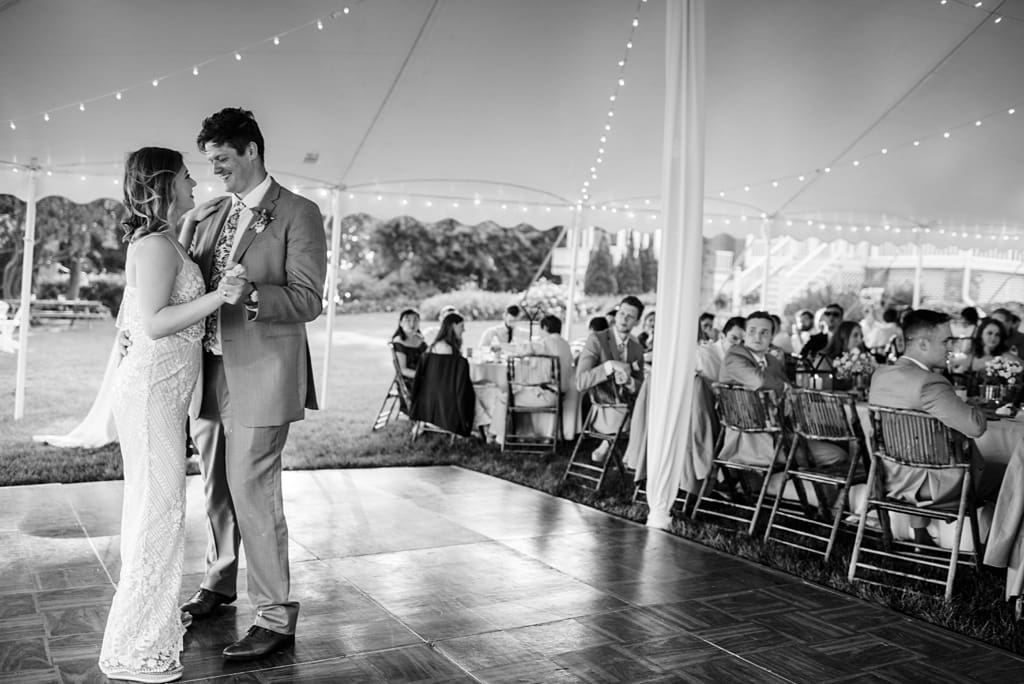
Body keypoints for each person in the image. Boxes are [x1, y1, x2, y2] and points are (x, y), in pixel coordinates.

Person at [180, 108, 327, 661]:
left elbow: (309, 298)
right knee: (216, 485)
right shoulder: (215, 212)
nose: (215, 169)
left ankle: (273, 615)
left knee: (253, 490)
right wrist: (191, 226)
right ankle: (220, 581)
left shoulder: (299, 212)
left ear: (251, 152)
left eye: (222, 158)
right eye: (209, 160)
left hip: (263, 373)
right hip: (209, 370)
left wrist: (255, 295)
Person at [99, 148, 230, 683]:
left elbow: (136, 320)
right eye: (185, 175)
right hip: (150, 392)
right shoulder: (154, 245)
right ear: (164, 182)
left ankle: (151, 620)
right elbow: (153, 323)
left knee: (155, 508)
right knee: (160, 510)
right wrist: (221, 295)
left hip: (163, 392)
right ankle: (133, 648)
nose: (194, 180)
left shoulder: (168, 240)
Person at [868, 309, 987, 546]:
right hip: (928, 488)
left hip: (887, 478)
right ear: (922, 343)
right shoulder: (931, 383)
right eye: (945, 341)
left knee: (920, 450)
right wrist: (972, 405)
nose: (950, 348)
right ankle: (1000, 553)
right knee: (1010, 472)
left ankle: (921, 534)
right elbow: (975, 427)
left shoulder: (880, 375)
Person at [576, 295, 646, 463]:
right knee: (648, 413)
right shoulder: (597, 340)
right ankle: (635, 459)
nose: (624, 319)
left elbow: (640, 385)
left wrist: (629, 383)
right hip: (604, 408)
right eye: (621, 313)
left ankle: (634, 458)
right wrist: (609, 366)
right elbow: (580, 382)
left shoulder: (637, 348)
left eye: (630, 317)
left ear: (637, 322)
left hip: (627, 407)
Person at [409, 312, 476, 436]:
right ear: (453, 326)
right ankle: (483, 430)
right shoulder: (447, 349)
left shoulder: (434, 346)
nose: (464, 330)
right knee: (477, 392)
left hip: (427, 393)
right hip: (445, 396)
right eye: (461, 326)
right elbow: (452, 380)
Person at [950, 317, 1023, 375]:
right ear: (981, 334)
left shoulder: (1007, 357)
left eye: (997, 335)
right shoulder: (971, 355)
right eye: (990, 333)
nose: (993, 338)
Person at [391, 308, 427, 383]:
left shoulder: (421, 340)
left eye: (415, 320)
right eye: (408, 320)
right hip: (410, 381)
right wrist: (424, 376)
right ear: (401, 323)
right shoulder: (399, 341)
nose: (412, 324)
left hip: (425, 376)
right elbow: (403, 370)